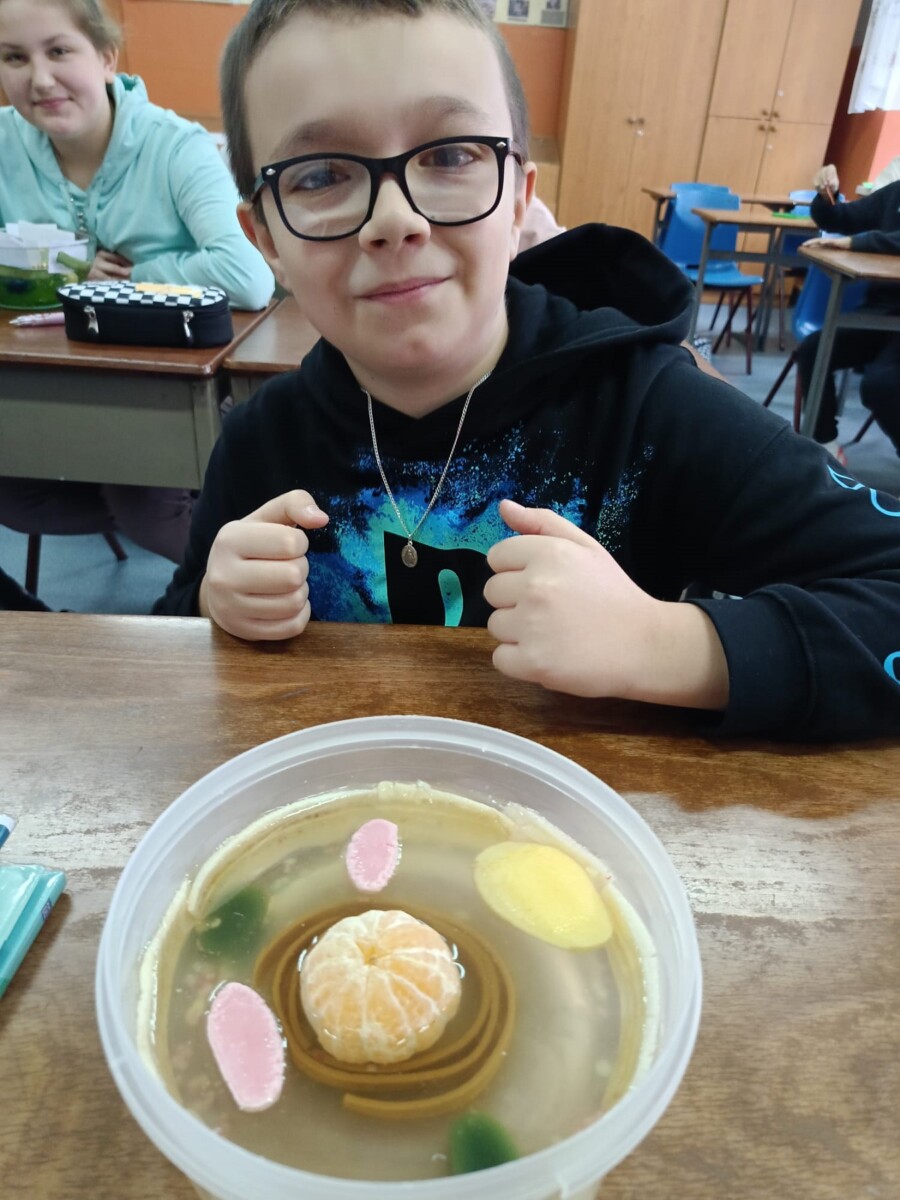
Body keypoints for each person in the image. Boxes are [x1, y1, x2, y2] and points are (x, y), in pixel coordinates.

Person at [155, 0, 900, 741]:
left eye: (450, 156)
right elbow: (171, 637)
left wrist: (661, 644)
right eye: (320, 175)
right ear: (267, 241)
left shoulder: (649, 408)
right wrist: (213, 604)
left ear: (518, 200)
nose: (395, 220)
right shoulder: (259, 442)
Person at [0, 0, 274, 567]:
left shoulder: (175, 146)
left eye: (59, 51)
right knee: (16, 495)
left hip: (163, 394)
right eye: (14, 58)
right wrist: (70, 274)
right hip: (48, 387)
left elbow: (247, 276)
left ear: (106, 58)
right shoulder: (5, 145)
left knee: (147, 508)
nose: (40, 79)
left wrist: (129, 280)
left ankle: (235, 587)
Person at [795, 164, 900, 461]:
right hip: (879, 314)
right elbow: (840, 218)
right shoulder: (895, 193)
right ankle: (826, 445)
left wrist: (857, 242)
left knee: (880, 384)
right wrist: (826, 195)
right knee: (815, 350)